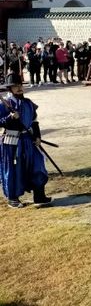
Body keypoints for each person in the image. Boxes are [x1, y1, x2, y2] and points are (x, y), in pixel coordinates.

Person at [0, 73, 50, 208]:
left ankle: (39, 196)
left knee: (38, 165)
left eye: (20, 85)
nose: (19, 88)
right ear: (10, 89)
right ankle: (13, 198)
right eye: (15, 86)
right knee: (14, 170)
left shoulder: (28, 103)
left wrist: (37, 136)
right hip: (12, 141)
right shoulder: (5, 104)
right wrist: (10, 118)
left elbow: (34, 122)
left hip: (29, 140)